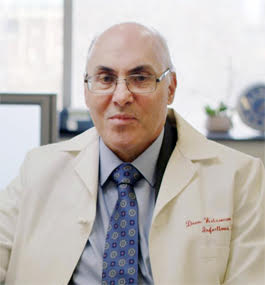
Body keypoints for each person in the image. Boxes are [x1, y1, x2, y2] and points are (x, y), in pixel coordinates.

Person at [0, 22, 264, 285]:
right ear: (86, 90)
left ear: (170, 88)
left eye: (140, 79)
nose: (122, 96)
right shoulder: (37, 169)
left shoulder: (241, 179)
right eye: (105, 78)